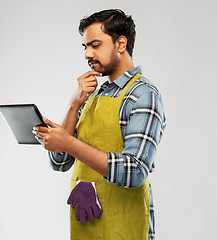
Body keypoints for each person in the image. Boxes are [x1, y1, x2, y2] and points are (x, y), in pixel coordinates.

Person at [32, 9, 166, 240]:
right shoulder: (93, 95)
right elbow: (60, 161)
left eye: (95, 45)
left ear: (120, 43)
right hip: (87, 226)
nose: (87, 54)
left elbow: (135, 172)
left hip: (124, 226)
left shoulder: (143, 95)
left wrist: (69, 143)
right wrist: (74, 103)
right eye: (85, 47)